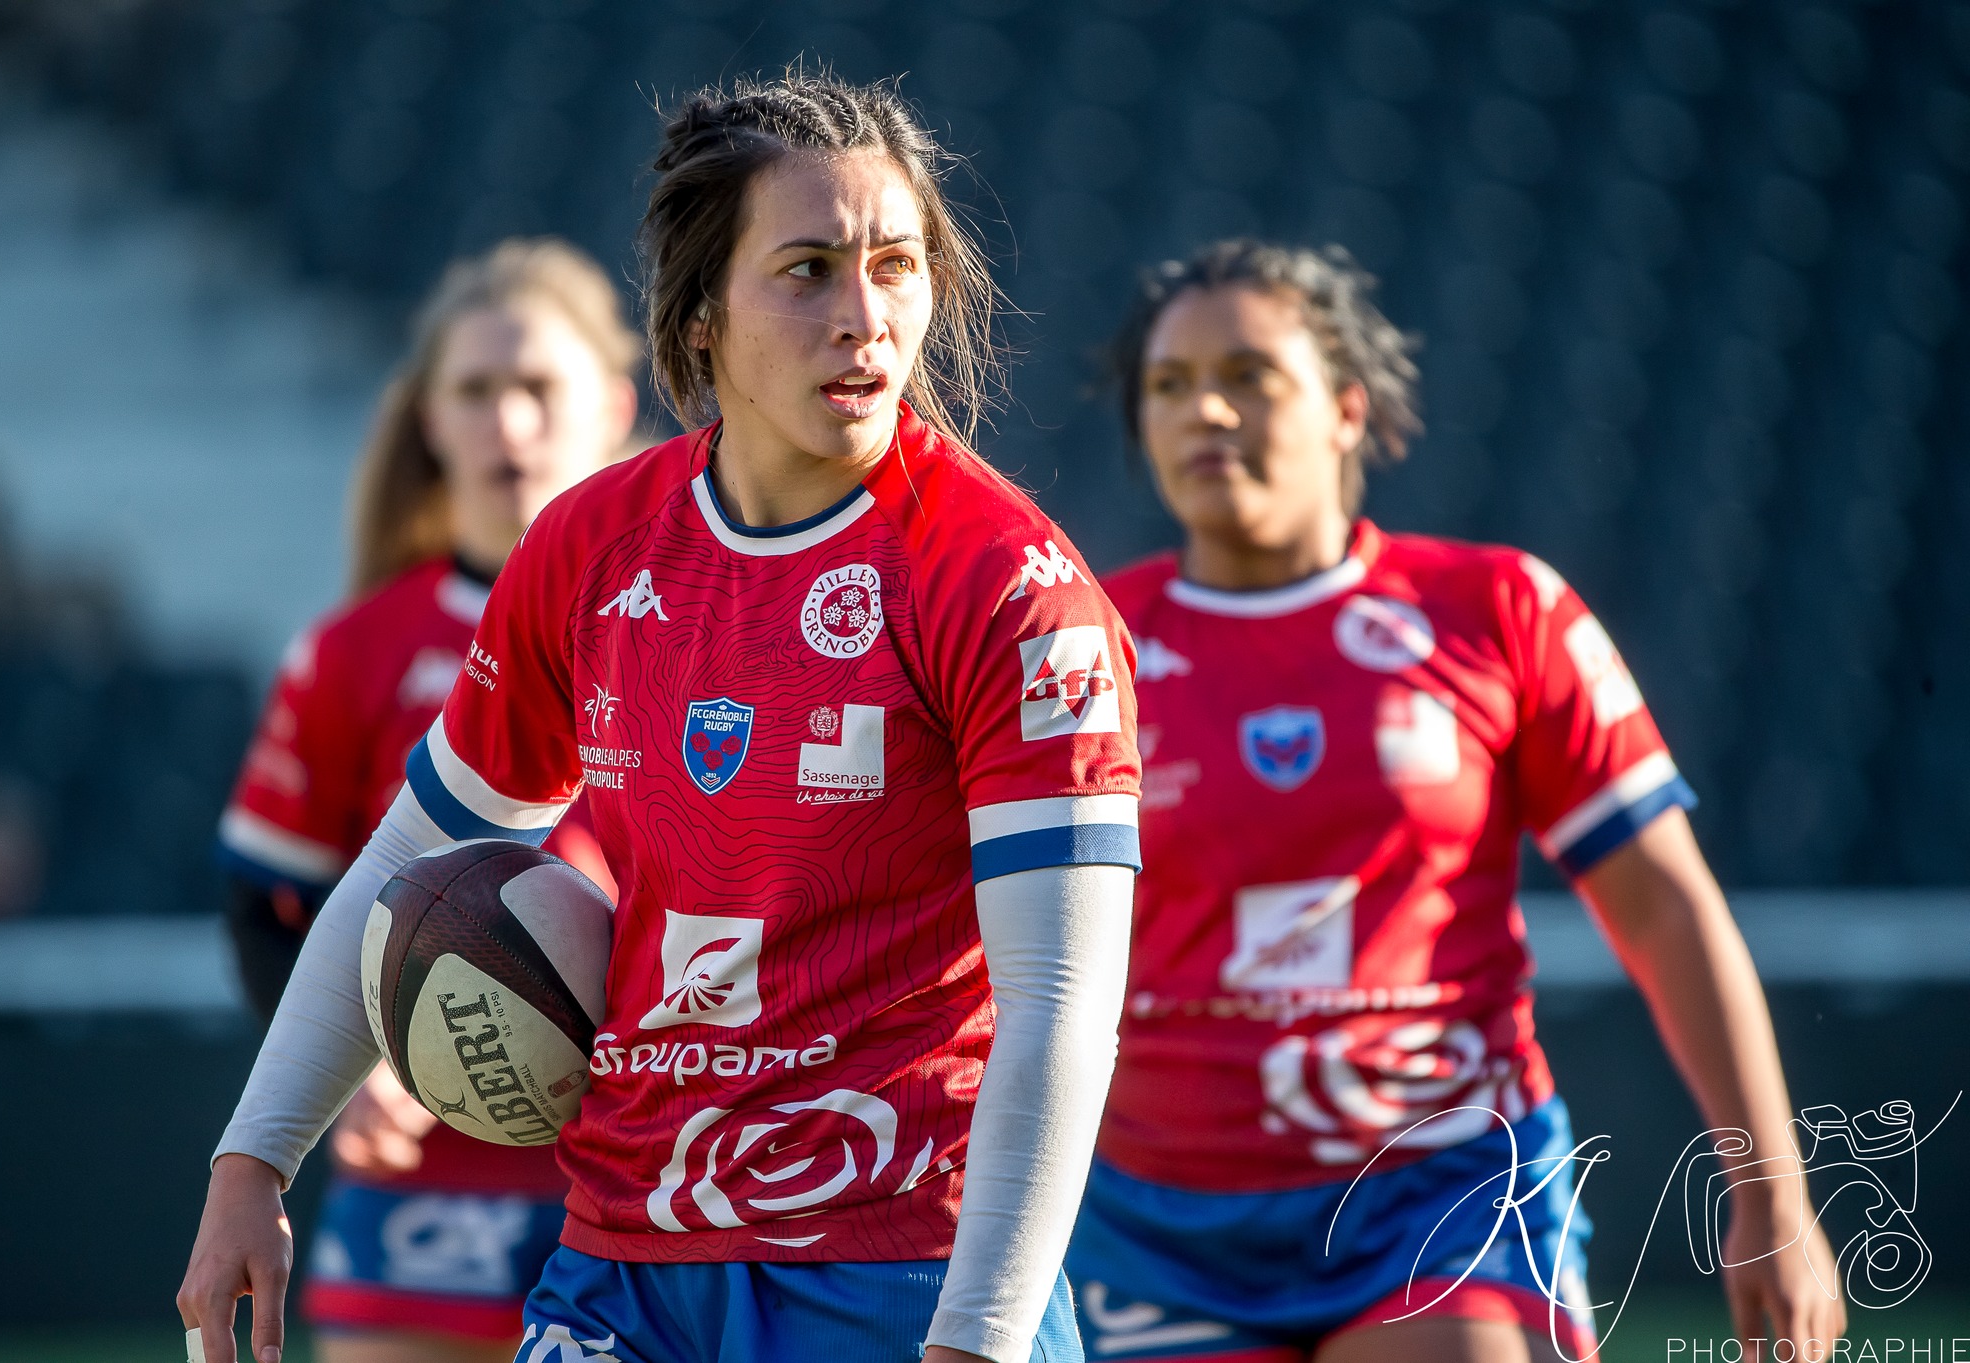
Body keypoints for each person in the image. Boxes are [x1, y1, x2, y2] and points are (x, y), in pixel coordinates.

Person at [180, 71, 1143, 1363]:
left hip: (900, 1267)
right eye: (806, 269)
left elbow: (1062, 997)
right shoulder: (590, 545)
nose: (866, 317)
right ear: (697, 323)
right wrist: (254, 1155)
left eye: (897, 264)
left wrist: (977, 1335)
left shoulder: (1012, 588)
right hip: (627, 1260)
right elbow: (411, 854)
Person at [1064, 240, 1845, 1363]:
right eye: (1171, 385)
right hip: (1157, 1222)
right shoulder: (1082, 644)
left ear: (1344, 408)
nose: (1208, 413)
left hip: (1440, 1192)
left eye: (1248, 376)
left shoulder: (1498, 611)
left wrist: (1768, 1188)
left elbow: (1667, 910)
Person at [213, 237, 641, 1363]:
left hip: (651, 1163)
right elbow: (268, 907)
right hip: (423, 1177)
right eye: (476, 391)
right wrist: (342, 1088)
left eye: (538, 389)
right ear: (429, 422)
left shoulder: (701, 631)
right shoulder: (352, 653)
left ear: (610, 404)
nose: (508, 424)